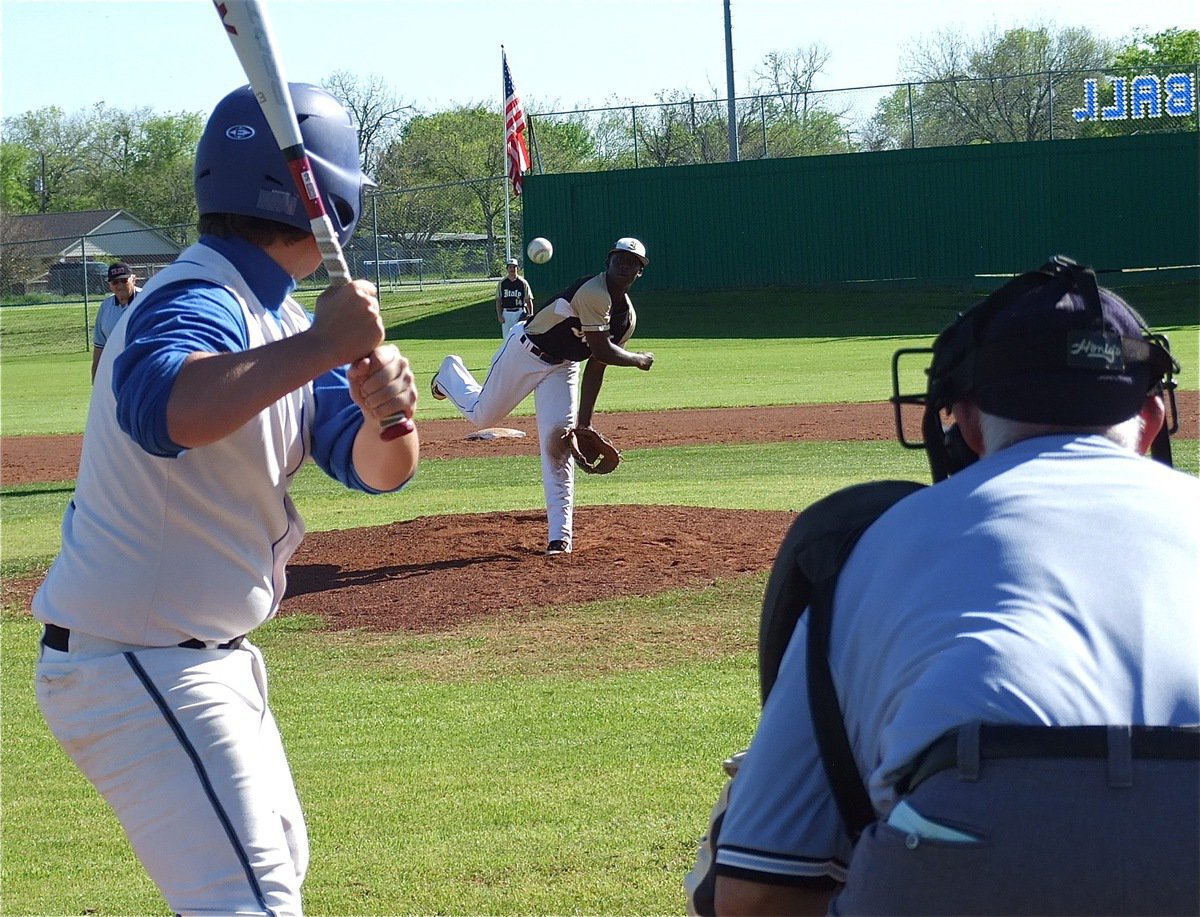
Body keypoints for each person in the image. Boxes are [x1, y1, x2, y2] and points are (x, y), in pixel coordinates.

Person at [709, 257, 1199, 916]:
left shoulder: (877, 541)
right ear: (1151, 417)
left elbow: (756, 892)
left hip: (956, 846)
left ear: (965, 423)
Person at [33, 83, 419, 917]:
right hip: (139, 660)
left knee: (270, 876)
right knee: (252, 904)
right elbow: (167, 407)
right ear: (330, 201)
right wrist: (326, 342)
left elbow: (378, 469)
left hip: (195, 657)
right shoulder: (198, 295)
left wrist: (389, 411)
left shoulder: (272, 316)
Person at [431, 237, 654, 555]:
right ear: (609, 261)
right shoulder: (593, 291)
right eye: (620, 258)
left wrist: (584, 424)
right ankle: (449, 373)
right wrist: (638, 359)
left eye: (633, 262)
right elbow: (604, 348)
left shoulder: (626, 319)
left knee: (559, 446)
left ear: (640, 272)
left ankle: (559, 538)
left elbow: (597, 364)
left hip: (564, 368)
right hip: (525, 351)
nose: (625, 265)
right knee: (483, 416)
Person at [91, 261, 141, 381]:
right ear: (110, 285)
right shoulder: (105, 307)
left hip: (143, 369)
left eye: (124, 280)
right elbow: (99, 346)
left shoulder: (147, 299)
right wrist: (96, 378)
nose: (119, 285)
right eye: (115, 282)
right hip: (116, 372)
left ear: (133, 279)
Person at [496, 256, 534, 337]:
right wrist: (499, 316)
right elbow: (498, 301)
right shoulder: (502, 283)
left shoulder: (523, 282)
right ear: (507, 269)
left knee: (520, 337)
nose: (512, 269)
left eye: (514, 267)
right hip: (506, 313)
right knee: (506, 338)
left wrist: (530, 315)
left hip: (520, 312)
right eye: (510, 267)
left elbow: (528, 300)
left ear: (518, 269)